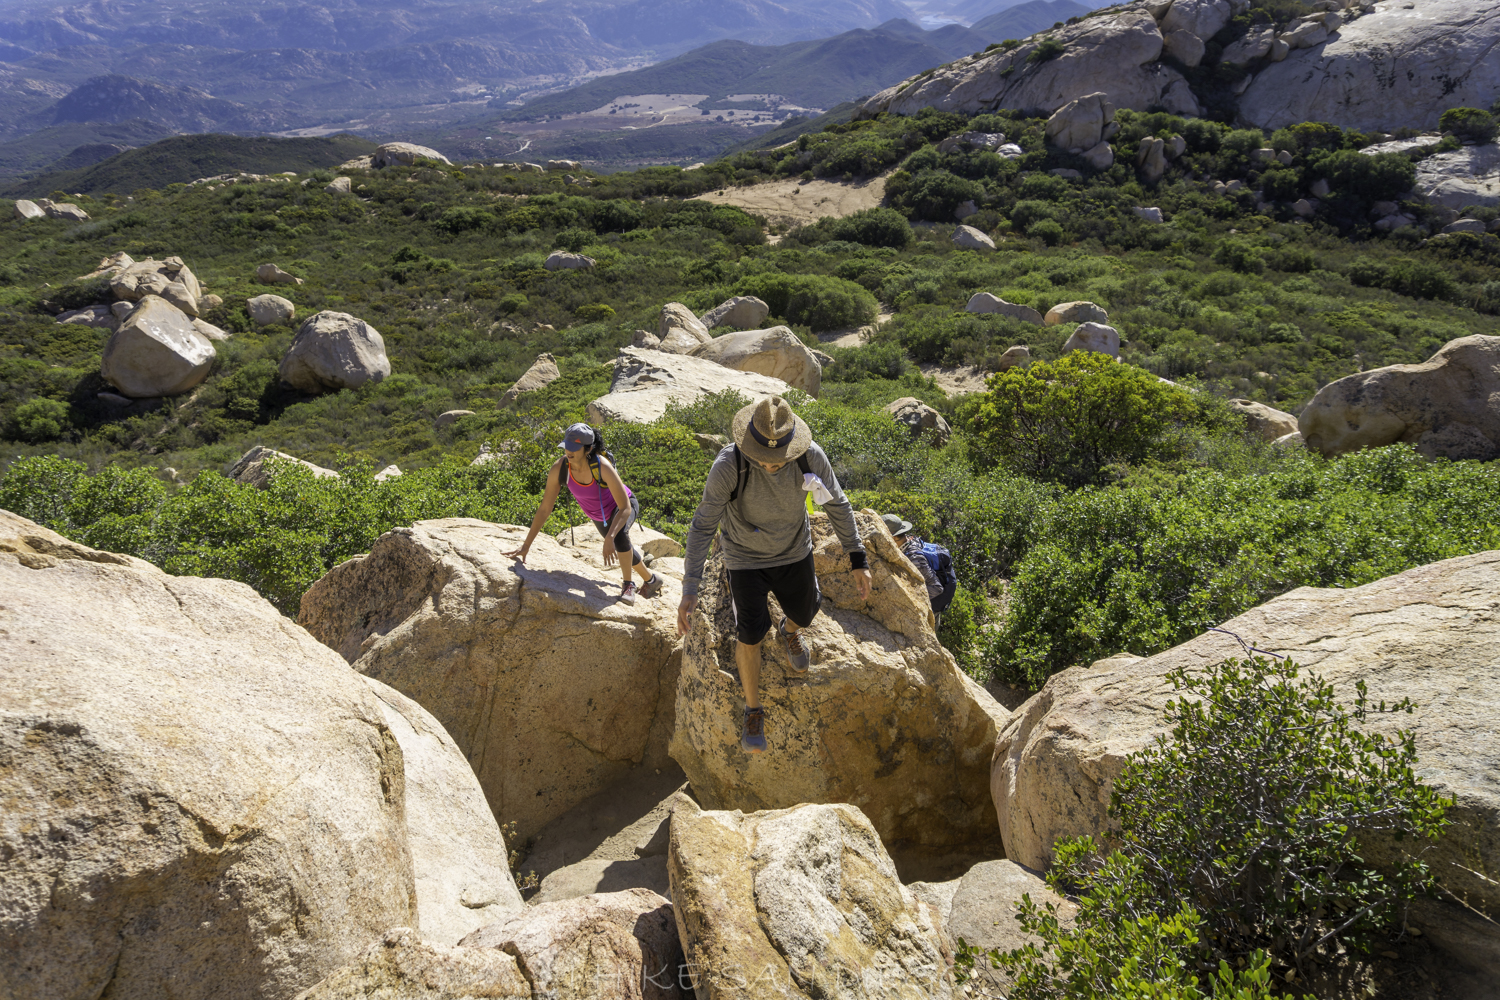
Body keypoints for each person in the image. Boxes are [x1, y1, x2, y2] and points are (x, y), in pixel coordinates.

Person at [678, 396, 871, 754]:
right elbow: (703, 525)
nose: (770, 465)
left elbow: (837, 504)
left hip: (793, 550)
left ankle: (790, 631)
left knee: (806, 610)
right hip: (744, 557)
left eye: (778, 458)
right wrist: (690, 587)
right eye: (763, 457)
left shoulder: (810, 457)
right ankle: (753, 710)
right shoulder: (729, 465)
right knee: (750, 632)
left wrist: (858, 557)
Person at [506, 422, 664, 604]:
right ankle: (652, 580)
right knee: (623, 548)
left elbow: (625, 507)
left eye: (574, 448)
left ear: (588, 449)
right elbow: (544, 509)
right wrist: (526, 545)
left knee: (619, 537)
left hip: (621, 507)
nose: (568, 452)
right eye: (567, 447)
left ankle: (628, 585)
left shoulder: (602, 466)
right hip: (598, 516)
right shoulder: (560, 468)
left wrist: (610, 536)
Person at [882, 514, 943, 604]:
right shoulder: (907, 542)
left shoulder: (914, 558)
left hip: (931, 607)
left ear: (893, 538)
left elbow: (936, 588)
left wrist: (908, 601)